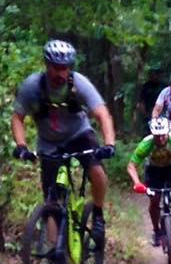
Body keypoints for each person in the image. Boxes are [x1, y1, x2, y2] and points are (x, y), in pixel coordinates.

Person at [11, 39, 116, 244]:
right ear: (46, 65)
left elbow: (102, 114)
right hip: (49, 142)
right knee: (52, 202)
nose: (60, 73)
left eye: (64, 68)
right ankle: (54, 259)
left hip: (79, 135)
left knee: (97, 170)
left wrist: (109, 144)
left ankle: (98, 214)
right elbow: (17, 117)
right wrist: (21, 146)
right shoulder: (32, 86)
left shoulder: (79, 84)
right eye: (55, 68)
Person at [127, 116, 171, 246]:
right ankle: (157, 231)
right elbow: (131, 166)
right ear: (152, 134)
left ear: (168, 132)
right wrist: (137, 183)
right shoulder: (146, 144)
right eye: (157, 136)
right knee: (154, 198)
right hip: (154, 169)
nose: (160, 138)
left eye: (163, 135)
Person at [135, 66, 163, 136]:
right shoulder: (146, 87)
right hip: (149, 112)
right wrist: (145, 114)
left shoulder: (163, 86)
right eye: (153, 74)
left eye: (157, 74)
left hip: (162, 112)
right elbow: (142, 101)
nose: (155, 76)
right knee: (148, 133)